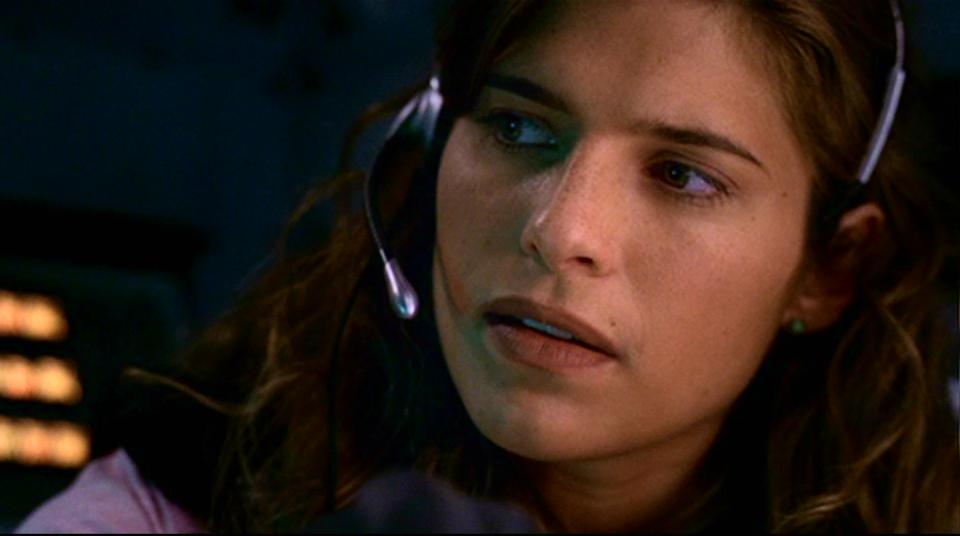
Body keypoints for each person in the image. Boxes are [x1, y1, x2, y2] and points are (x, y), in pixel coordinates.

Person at [17, 0, 960, 532]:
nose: (561, 230)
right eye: (518, 128)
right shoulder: (165, 503)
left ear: (830, 268)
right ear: (428, 151)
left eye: (682, 175)